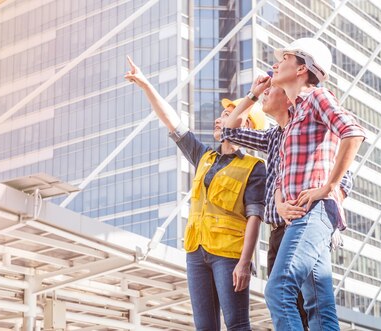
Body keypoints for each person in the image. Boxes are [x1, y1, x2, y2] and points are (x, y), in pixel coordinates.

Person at [125, 56, 266, 331]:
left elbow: (255, 217)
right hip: (196, 252)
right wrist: (145, 85)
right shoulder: (204, 157)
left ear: (245, 124)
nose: (218, 118)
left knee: (237, 326)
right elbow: (172, 122)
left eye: (227, 115)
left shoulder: (254, 168)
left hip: (229, 255)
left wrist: (245, 262)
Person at [220, 76, 354, 331]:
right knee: (313, 305)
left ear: (287, 98)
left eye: (272, 90)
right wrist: (254, 94)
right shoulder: (274, 136)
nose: (267, 94)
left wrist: (324, 199)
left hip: (306, 222)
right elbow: (230, 131)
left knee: (293, 299)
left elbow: (345, 177)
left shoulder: (311, 124)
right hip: (279, 230)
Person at [262, 38, 366, 331]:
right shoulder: (293, 117)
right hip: (301, 215)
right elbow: (284, 172)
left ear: (301, 68)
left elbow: (353, 133)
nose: (276, 64)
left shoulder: (317, 98)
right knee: (318, 307)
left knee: (278, 289)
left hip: (316, 211)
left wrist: (328, 186)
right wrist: (281, 201)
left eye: (284, 59)